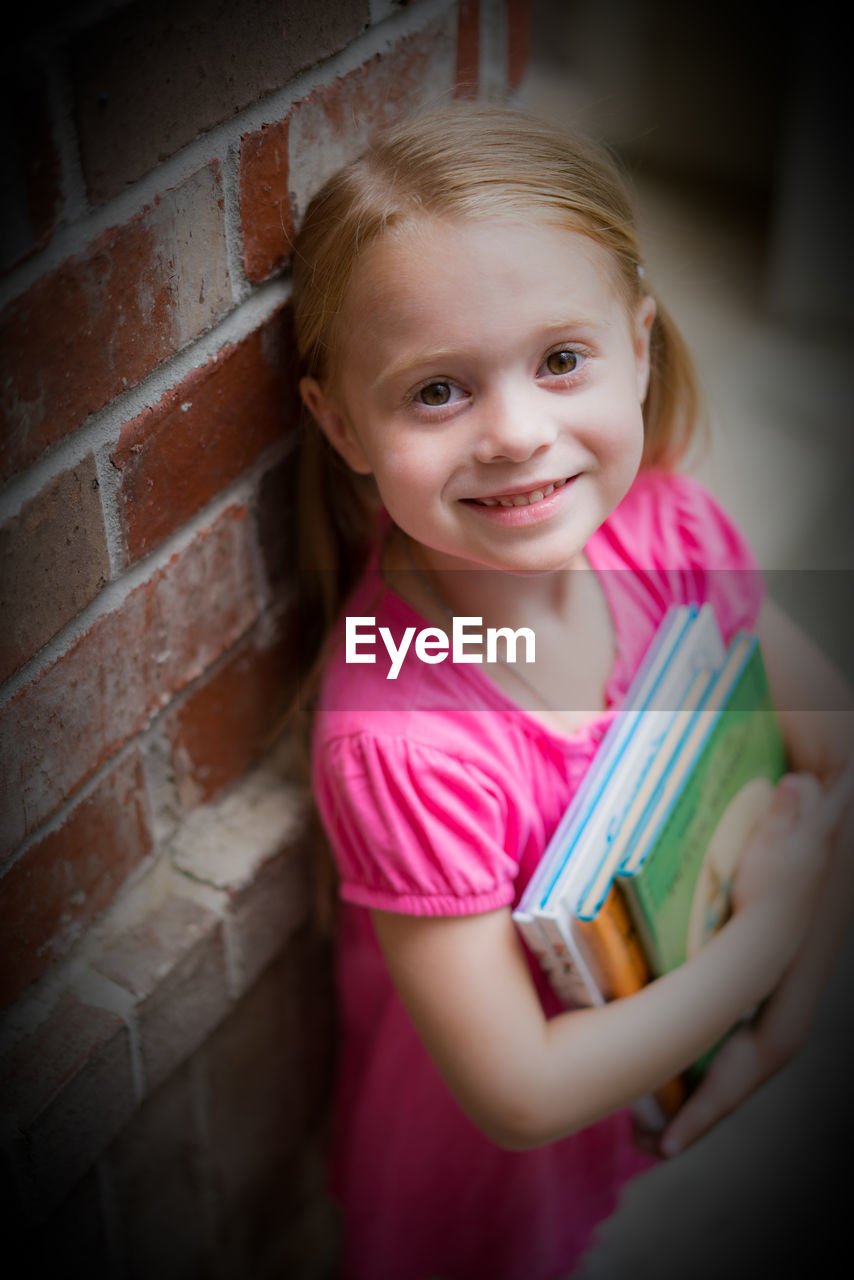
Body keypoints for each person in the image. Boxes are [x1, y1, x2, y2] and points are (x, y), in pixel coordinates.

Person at [290, 105, 854, 1279]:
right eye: (436, 390)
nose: (515, 433)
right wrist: (770, 934)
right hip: (486, 1187)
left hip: (662, 1045)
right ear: (340, 421)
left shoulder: (667, 533)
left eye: (559, 359)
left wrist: (779, 1018)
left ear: (638, 344)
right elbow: (519, 1093)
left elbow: (831, 747)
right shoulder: (400, 735)